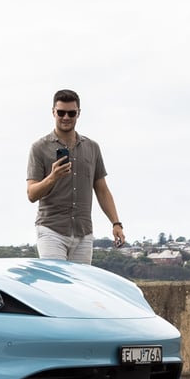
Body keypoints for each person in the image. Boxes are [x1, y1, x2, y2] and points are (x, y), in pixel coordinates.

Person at [25, 89, 125, 262]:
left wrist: (116, 223)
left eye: (71, 113)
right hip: (51, 230)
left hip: (83, 232)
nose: (66, 117)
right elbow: (31, 194)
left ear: (78, 113)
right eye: (61, 112)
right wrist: (53, 177)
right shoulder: (39, 148)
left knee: (79, 288)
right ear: (53, 112)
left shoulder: (92, 147)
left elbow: (102, 190)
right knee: (55, 285)